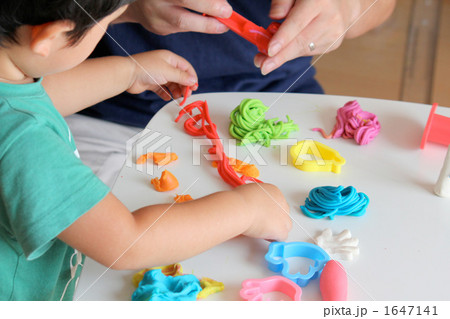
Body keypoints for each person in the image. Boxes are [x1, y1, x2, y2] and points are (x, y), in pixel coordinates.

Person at [0, 0, 291, 301]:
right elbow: (126, 243)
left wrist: (128, 72)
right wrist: (246, 209)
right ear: (49, 37)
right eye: (105, 24)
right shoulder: (25, 141)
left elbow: (37, 97)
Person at [61, 0, 397, 187]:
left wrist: (347, 10)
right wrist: (122, 7)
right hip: (105, 110)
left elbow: (379, 7)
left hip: (278, 108)